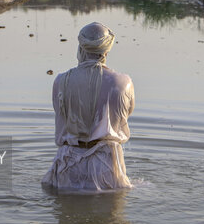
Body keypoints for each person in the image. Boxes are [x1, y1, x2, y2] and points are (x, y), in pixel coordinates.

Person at [42, 22, 135, 190]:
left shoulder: (61, 81)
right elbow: (123, 116)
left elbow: (62, 116)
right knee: (111, 214)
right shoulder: (123, 82)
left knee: (66, 213)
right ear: (107, 50)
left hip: (68, 163)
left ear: (80, 47)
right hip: (105, 166)